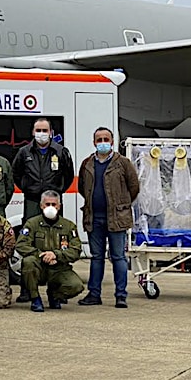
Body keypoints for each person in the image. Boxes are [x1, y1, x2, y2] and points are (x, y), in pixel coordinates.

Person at [12, 117, 74, 302]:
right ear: (33, 132)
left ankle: (56, 292)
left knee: (57, 242)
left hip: (53, 201)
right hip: (32, 201)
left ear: (51, 132)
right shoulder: (24, 152)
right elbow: (17, 174)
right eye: (38, 130)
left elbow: (68, 175)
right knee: (28, 241)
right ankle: (26, 289)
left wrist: (57, 192)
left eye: (44, 130)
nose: (41, 134)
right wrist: (28, 188)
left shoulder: (61, 152)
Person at [77, 127, 140, 309]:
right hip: (94, 218)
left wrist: (122, 204)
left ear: (112, 142)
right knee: (96, 257)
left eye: (106, 139)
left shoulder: (123, 163)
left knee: (118, 257)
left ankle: (121, 295)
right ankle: (94, 294)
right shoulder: (87, 164)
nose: (102, 142)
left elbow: (133, 186)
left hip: (117, 218)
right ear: (94, 142)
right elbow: (83, 187)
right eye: (99, 139)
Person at [15, 190, 84, 312]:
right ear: (41, 206)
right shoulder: (32, 223)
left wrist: (56, 255)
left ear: (59, 206)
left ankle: (55, 295)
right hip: (39, 267)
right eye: (47, 204)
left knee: (76, 286)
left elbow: (76, 250)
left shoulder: (69, 226)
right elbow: (21, 244)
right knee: (28, 262)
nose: (51, 207)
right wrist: (41, 255)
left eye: (54, 204)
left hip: (58, 268)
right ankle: (35, 298)